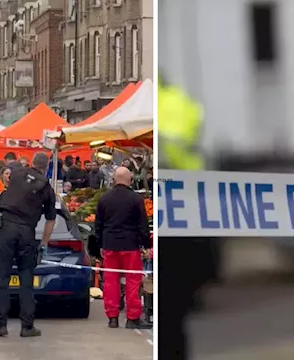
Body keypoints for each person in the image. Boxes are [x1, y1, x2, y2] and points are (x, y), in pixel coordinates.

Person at [159, 81, 218, 360]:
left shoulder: (170, 102)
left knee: (170, 319)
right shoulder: (180, 100)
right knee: (175, 321)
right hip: (187, 210)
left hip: (176, 213)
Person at [0, 152, 56, 337]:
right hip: (27, 231)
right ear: (46, 167)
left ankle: (0, 325)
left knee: (2, 276)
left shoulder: (17, 173)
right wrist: (43, 243)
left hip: (6, 228)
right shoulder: (46, 188)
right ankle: (27, 326)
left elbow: (8, 188)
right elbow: (50, 220)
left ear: (31, 163)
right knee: (26, 279)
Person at [95, 167, 151, 329]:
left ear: (114, 179)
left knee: (110, 282)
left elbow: (98, 225)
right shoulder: (135, 199)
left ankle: (112, 318)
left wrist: (100, 244)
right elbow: (143, 224)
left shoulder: (104, 199)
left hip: (110, 245)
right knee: (132, 281)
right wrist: (146, 245)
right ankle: (132, 318)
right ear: (129, 179)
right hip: (130, 245)